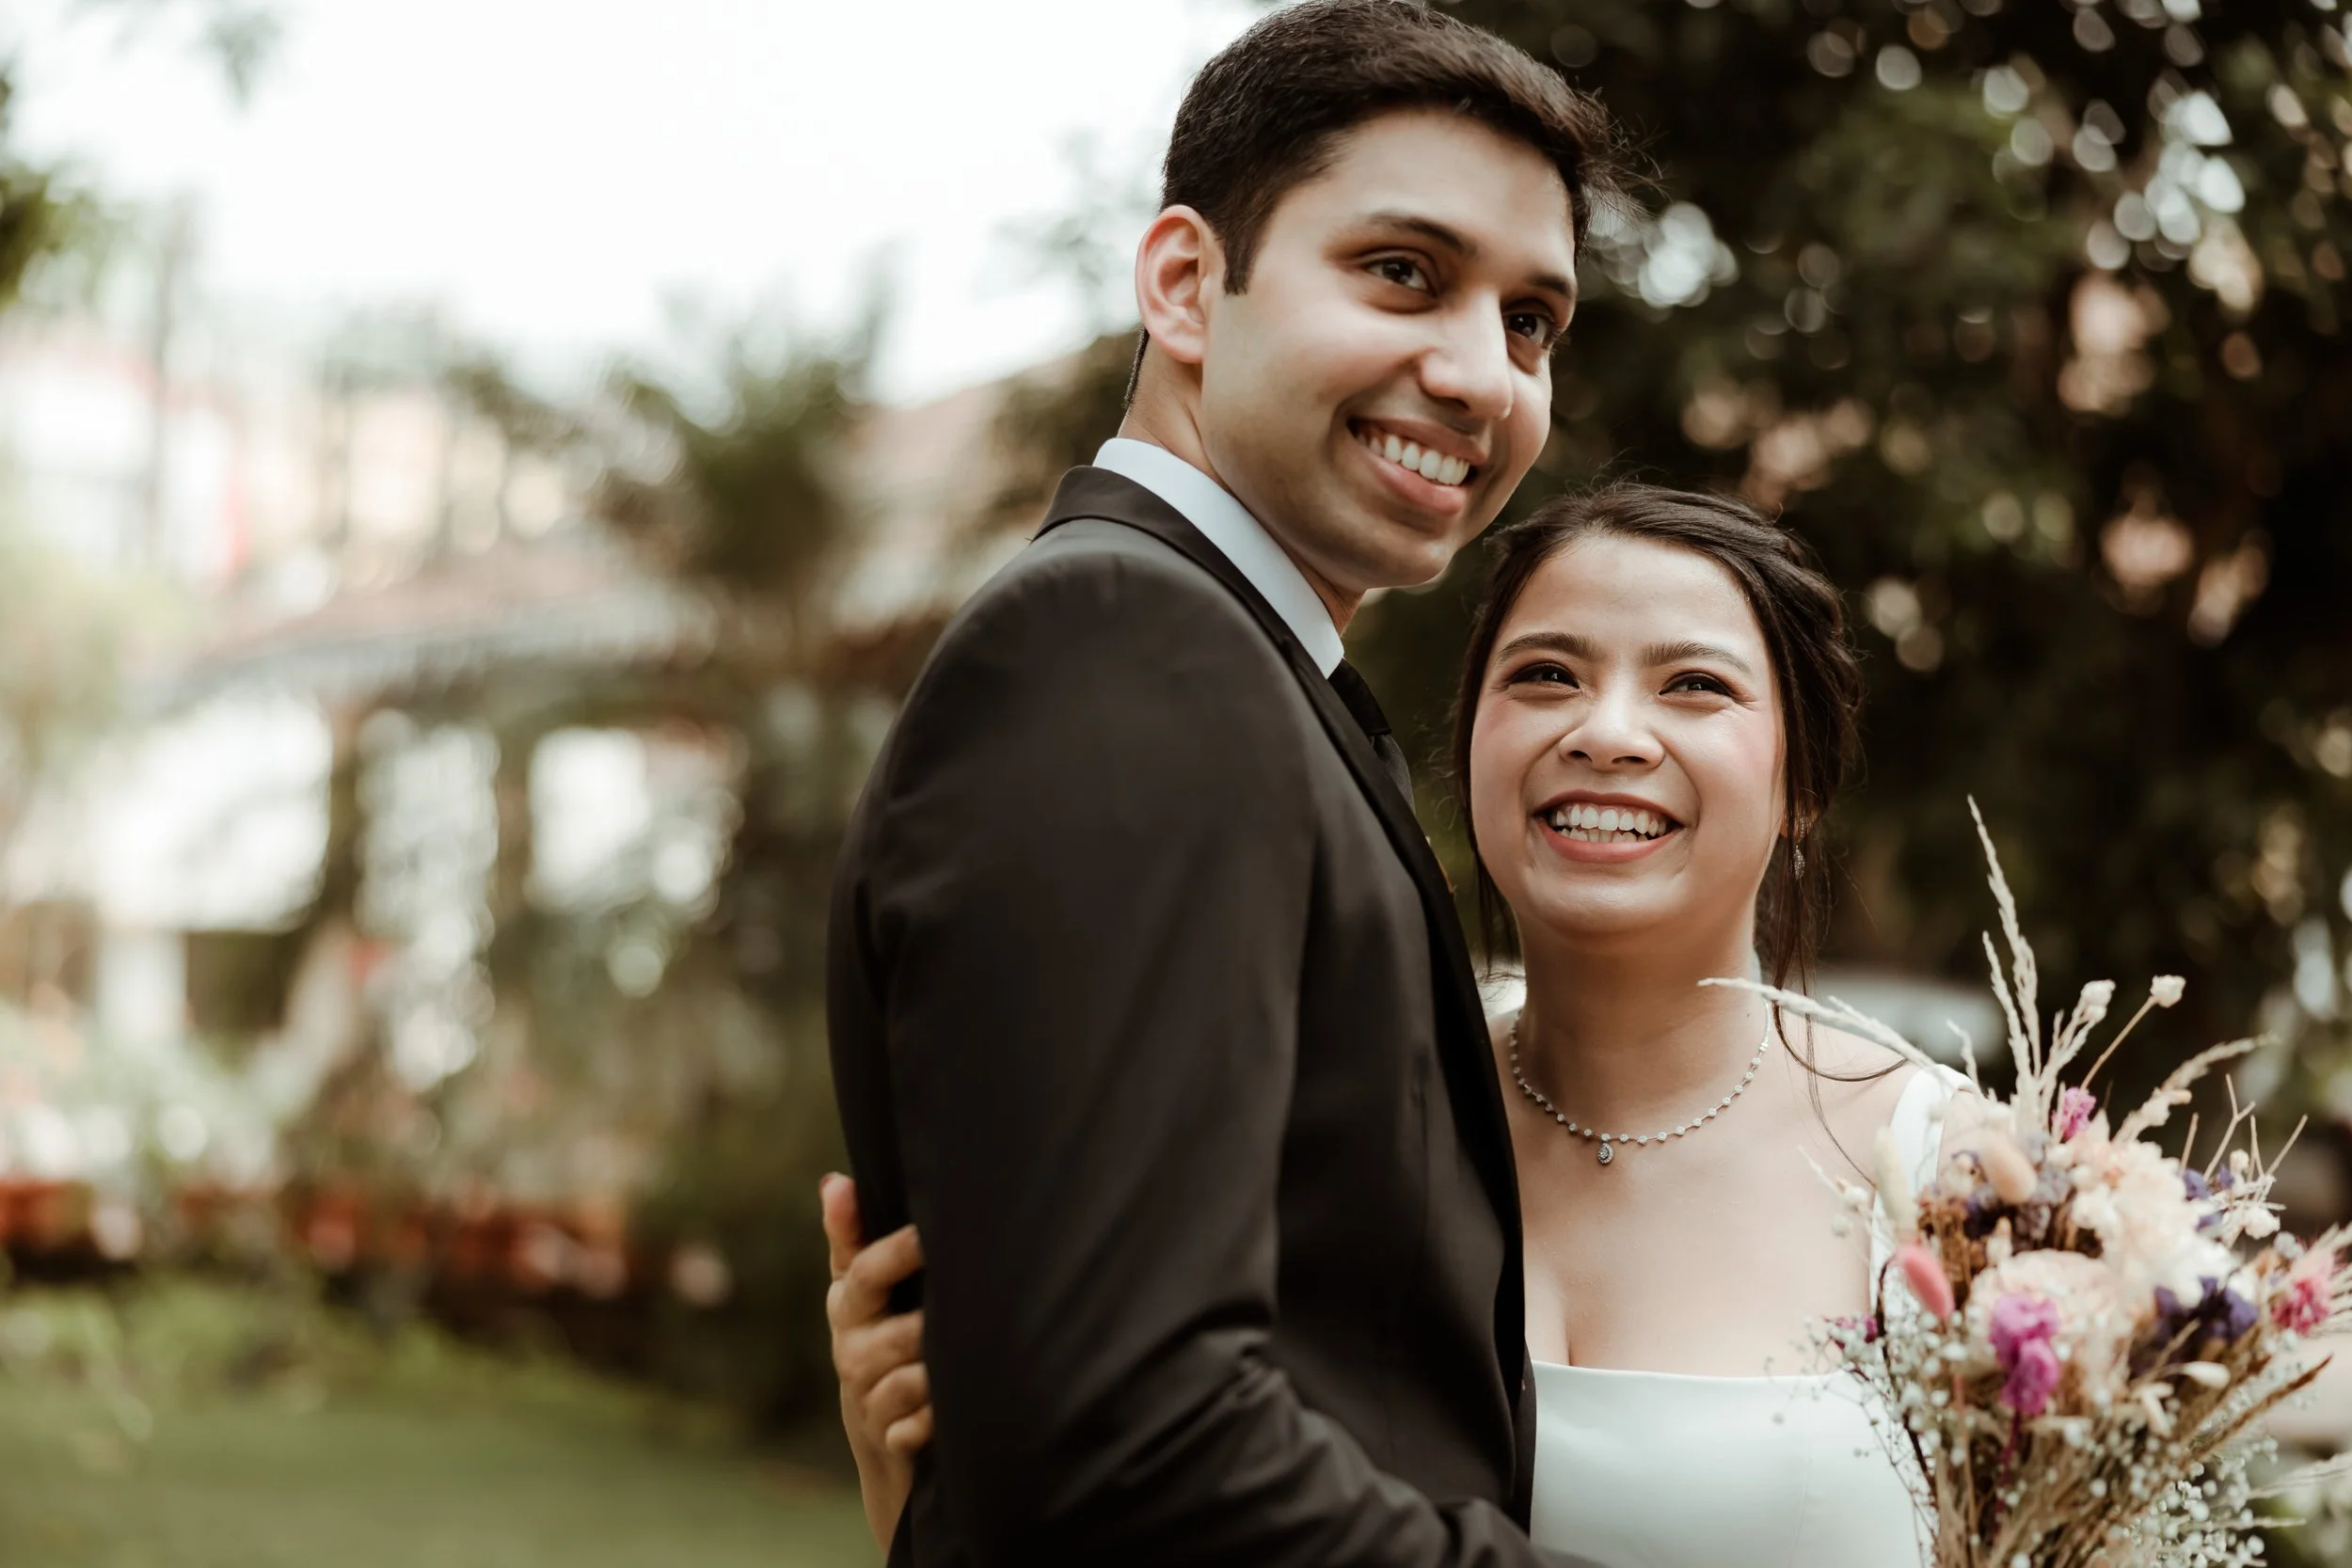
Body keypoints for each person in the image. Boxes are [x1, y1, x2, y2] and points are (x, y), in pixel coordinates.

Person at [829, 483, 1976, 1565]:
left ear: (1802, 783)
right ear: (1470, 741)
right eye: (1545, 675)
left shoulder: (1946, 1175)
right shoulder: (1337, 1094)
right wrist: (925, 1488)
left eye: (1693, 685)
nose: (1607, 731)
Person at [823, 2, 1617, 1562]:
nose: (1482, 375)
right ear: (1186, 285)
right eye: (1404, 272)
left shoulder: (1232, 665)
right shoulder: (1124, 643)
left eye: (1531, 321)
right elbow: (1131, 1442)